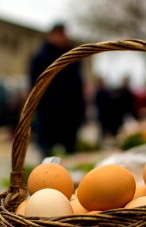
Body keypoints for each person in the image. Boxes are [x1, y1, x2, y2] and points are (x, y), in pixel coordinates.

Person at [28, 23, 86, 158]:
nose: (62, 38)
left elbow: (78, 84)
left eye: (64, 34)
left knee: (71, 151)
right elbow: (35, 86)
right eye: (59, 35)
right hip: (49, 114)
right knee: (46, 153)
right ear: (52, 35)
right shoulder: (40, 57)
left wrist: (81, 111)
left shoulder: (73, 55)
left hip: (70, 113)